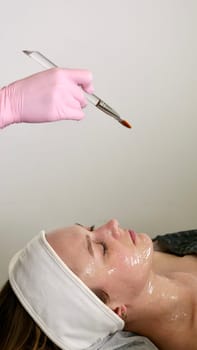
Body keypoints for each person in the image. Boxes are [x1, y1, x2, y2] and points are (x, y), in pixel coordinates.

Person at [0, 70, 197, 350]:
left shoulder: (167, 249)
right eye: (102, 248)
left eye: (91, 230)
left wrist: (5, 107)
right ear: (114, 311)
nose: (112, 223)